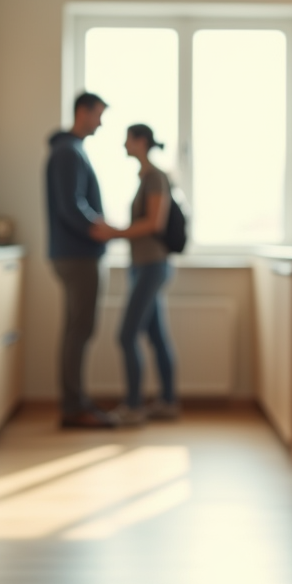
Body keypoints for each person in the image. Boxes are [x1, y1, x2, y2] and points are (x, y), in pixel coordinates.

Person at [46, 91, 117, 428]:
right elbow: (70, 206)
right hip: (77, 256)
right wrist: (97, 228)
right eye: (98, 115)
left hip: (75, 254)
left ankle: (76, 401)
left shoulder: (71, 151)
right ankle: (74, 408)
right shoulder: (67, 153)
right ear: (82, 112)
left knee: (77, 330)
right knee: (79, 330)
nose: (100, 123)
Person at [106, 124, 179, 426]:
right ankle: (168, 402)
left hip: (152, 266)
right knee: (156, 336)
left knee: (126, 335)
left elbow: (154, 224)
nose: (124, 143)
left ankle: (134, 406)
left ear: (140, 141)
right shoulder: (145, 177)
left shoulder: (154, 177)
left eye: (128, 138)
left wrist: (115, 232)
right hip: (143, 266)